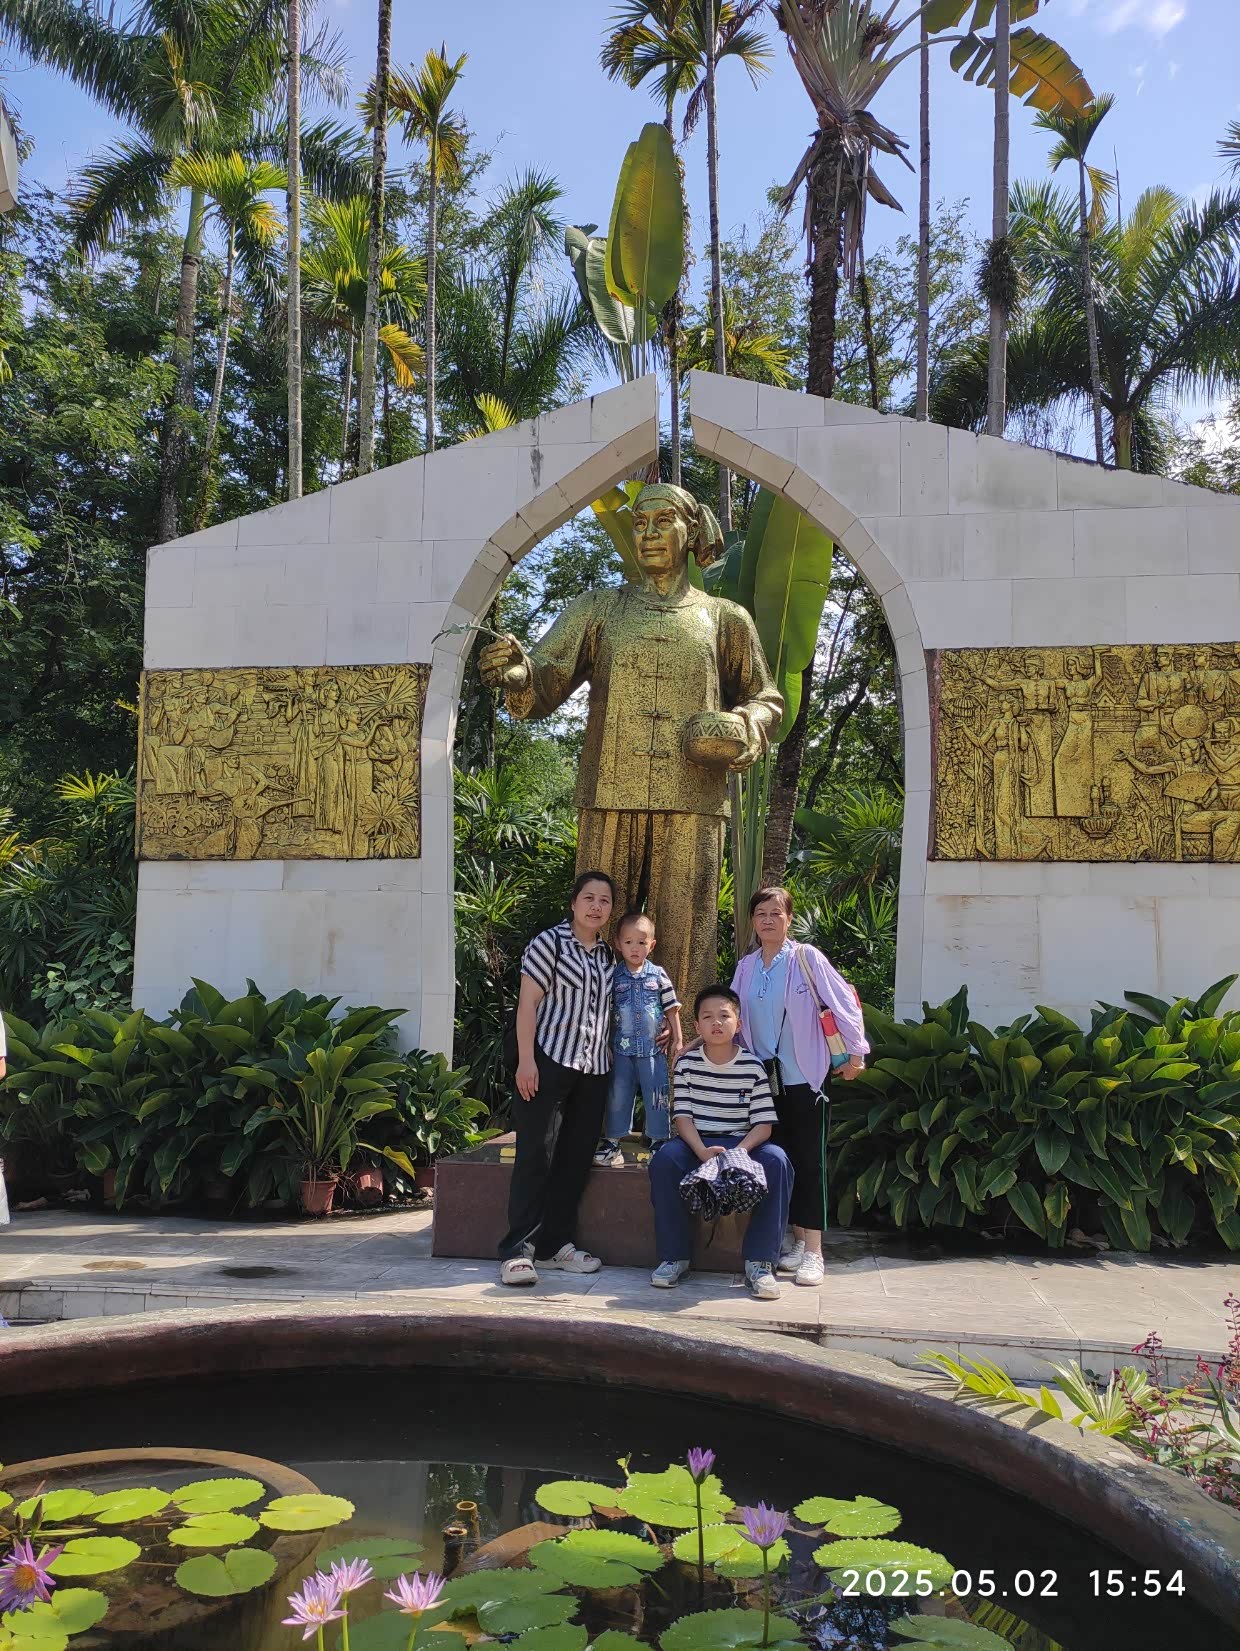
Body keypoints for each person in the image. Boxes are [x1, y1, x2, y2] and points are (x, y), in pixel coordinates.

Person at [477, 483, 782, 1010]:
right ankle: (586, 1039)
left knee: (685, 936)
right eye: (640, 523)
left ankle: (683, 1049)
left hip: (693, 796)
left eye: (663, 521)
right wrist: (516, 671)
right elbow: (544, 677)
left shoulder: (724, 618)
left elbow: (766, 698)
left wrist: (743, 725)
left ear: (692, 531)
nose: (649, 534)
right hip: (609, 791)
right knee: (595, 929)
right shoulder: (598, 609)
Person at [731, 887, 867, 1288]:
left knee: (810, 1162)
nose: (768, 920)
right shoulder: (746, 967)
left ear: (789, 919)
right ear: (752, 921)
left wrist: (856, 1052)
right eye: (761, 913)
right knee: (780, 1161)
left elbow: (843, 1003)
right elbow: (734, 1016)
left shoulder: (806, 958)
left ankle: (814, 1252)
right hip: (764, 1082)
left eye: (776, 913)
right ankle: (795, 1239)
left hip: (806, 1078)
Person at [498, 871, 618, 1287]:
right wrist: (526, 1061)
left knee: (574, 1160)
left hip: (594, 1068)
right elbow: (527, 1005)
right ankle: (517, 1251)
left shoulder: (609, 956)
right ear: (573, 902)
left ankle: (554, 1245)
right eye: (589, 898)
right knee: (535, 1154)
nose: (596, 906)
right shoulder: (548, 943)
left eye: (604, 900)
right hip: (547, 1060)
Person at [648, 984, 793, 1302]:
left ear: (738, 1024)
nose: (716, 1023)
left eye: (724, 1016)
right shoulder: (686, 1064)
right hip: (697, 1142)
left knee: (778, 1161)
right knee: (664, 1160)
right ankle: (674, 1257)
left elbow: (764, 1124)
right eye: (707, 1017)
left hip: (743, 1143)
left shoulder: (753, 1066)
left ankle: (760, 1263)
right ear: (697, 1026)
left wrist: (739, 1151)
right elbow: (683, 1118)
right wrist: (701, 1151)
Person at [594, 912, 682, 1167]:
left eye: (642, 942)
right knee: (618, 1095)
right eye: (629, 942)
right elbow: (603, 1013)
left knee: (657, 1094)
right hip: (621, 1050)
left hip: (653, 1050)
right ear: (618, 944)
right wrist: (604, 1044)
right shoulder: (613, 976)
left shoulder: (658, 975)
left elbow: (672, 1008)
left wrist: (678, 1039)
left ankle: (658, 1141)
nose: (635, 948)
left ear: (651, 945)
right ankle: (612, 1142)